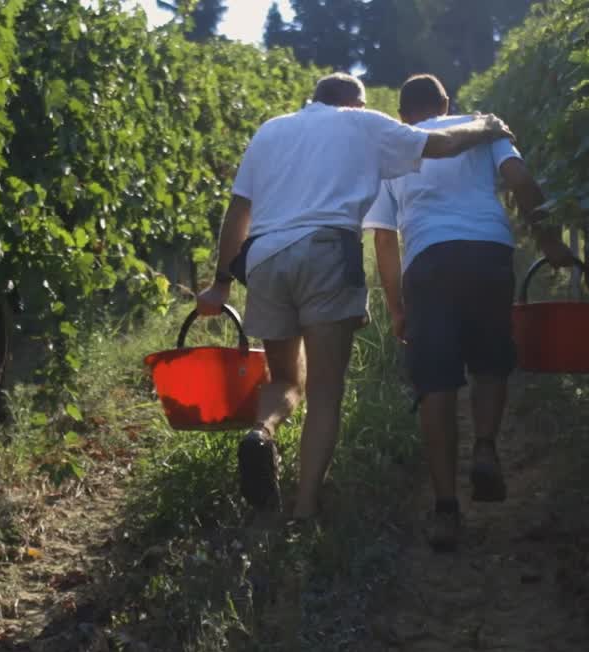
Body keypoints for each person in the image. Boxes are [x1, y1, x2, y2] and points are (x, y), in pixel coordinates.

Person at [196, 73, 517, 522]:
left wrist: (222, 282)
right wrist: (486, 126)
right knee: (325, 390)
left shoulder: (270, 130)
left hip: (265, 257)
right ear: (353, 103)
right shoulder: (360, 122)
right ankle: (305, 509)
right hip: (326, 251)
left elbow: (238, 211)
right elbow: (440, 145)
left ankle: (261, 432)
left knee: (284, 378)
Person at [363, 74, 575, 551]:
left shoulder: (394, 150)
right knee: (489, 360)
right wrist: (548, 241)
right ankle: (484, 447)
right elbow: (521, 181)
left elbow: (384, 239)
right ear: (446, 104)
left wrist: (397, 308)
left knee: (436, 383)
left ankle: (445, 509)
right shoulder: (486, 128)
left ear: (402, 115)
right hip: (488, 250)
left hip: (429, 260)